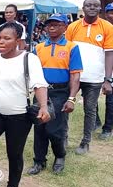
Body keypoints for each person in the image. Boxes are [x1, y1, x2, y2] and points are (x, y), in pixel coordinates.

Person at [0, 22, 50, 187]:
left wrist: (43, 106)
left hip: (19, 116)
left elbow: (39, 84)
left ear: (18, 40)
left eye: (7, 38)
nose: (1, 41)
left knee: (14, 153)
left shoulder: (29, 59)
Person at [27, 14, 83, 175]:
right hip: (41, 89)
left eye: (56, 24)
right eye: (49, 24)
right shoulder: (38, 47)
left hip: (60, 92)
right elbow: (31, 71)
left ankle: (60, 156)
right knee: (39, 127)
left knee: (54, 129)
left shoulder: (72, 47)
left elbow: (75, 75)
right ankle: (39, 161)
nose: (51, 27)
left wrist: (71, 98)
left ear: (65, 27)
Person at [66, 0, 113, 154]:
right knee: (65, 106)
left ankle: (85, 142)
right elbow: (67, 51)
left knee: (90, 110)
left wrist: (107, 79)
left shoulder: (107, 27)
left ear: (100, 9)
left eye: (95, 5)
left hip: (94, 78)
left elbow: (109, 54)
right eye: (88, 5)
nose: (92, 7)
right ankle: (63, 137)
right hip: (73, 76)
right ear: (83, 8)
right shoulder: (73, 27)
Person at [95, 3, 113, 140]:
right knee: (91, 96)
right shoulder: (101, 28)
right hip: (98, 67)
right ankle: (95, 121)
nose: (112, 15)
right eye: (110, 12)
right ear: (105, 14)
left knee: (110, 100)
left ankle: (107, 128)